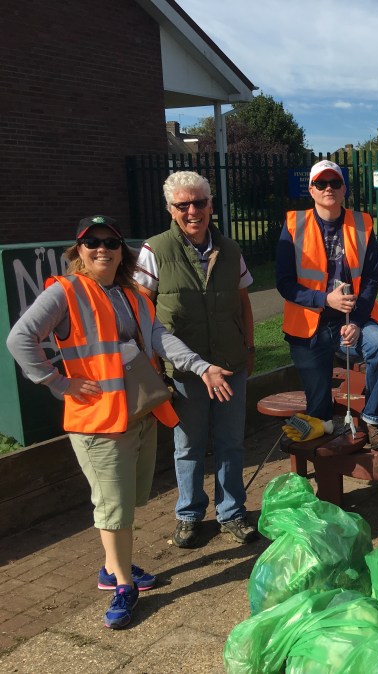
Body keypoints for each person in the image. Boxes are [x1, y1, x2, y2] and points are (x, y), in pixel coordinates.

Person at [7, 215, 233, 629]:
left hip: (137, 412)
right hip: (97, 422)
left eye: (110, 243)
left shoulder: (132, 296)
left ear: (121, 252)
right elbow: (20, 339)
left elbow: (161, 339)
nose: (102, 250)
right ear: (78, 251)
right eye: (91, 243)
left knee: (127, 503)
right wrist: (58, 382)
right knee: (113, 509)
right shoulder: (66, 293)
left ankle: (112, 569)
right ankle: (123, 587)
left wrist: (201, 367)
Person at [134, 171, 257, 548]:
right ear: (171, 210)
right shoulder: (155, 250)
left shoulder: (230, 249)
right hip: (184, 371)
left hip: (229, 365)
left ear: (210, 206)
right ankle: (189, 515)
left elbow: (243, 302)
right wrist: (154, 365)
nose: (192, 211)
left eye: (199, 203)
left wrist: (249, 349)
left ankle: (232, 512)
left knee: (231, 442)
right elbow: (142, 310)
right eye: (183, 205)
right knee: (187, 445)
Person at [276, 160, 378, 449]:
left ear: (344, 189)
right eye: (321, 183)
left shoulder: (363, 223)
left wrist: (356, 321)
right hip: (309, 327)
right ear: (311, 190)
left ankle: (372, 420)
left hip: (352, 322)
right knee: (320, 416)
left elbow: (370, 280)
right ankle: (324, 467)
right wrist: (323, 299)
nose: (328, 188)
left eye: (334, 183)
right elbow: (285, 283)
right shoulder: (294, 224)